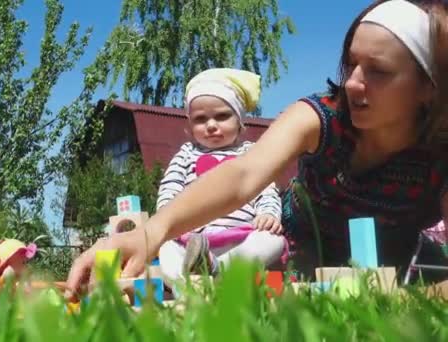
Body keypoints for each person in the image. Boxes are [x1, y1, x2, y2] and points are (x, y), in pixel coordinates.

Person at [65, 0, 448, 298]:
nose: (352, 84)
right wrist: (153, 231)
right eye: (352, 65)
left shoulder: (439, 154)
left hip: (393, 267)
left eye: (378, 71)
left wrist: (406, 297)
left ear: (428, 86)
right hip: (300, 258)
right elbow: (244, 174)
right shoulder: (321, 118)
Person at [156, 68, 286, 282]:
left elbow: (266, 188)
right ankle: (188, 283)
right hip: (191, 239)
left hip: (240, 237)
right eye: (200, 119)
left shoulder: (251, 153)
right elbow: (170, 187)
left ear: (240, 121)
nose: (211, 125)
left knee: (273, 240)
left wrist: (268, 214)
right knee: (166, 248)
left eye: (222, 116)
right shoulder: (187, 154)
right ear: (189, 126)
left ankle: (218, 270)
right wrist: (165, 219)